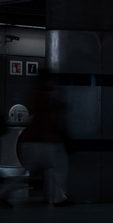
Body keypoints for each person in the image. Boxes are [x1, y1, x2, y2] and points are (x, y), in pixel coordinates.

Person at [19, 75, 71, 206]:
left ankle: (59, 197)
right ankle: (59, 197)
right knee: (57, 168)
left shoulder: (38, 94)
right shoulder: (43, 96)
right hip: (45, 140)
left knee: (51, 169)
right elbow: (48, 117)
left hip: (40, 140)